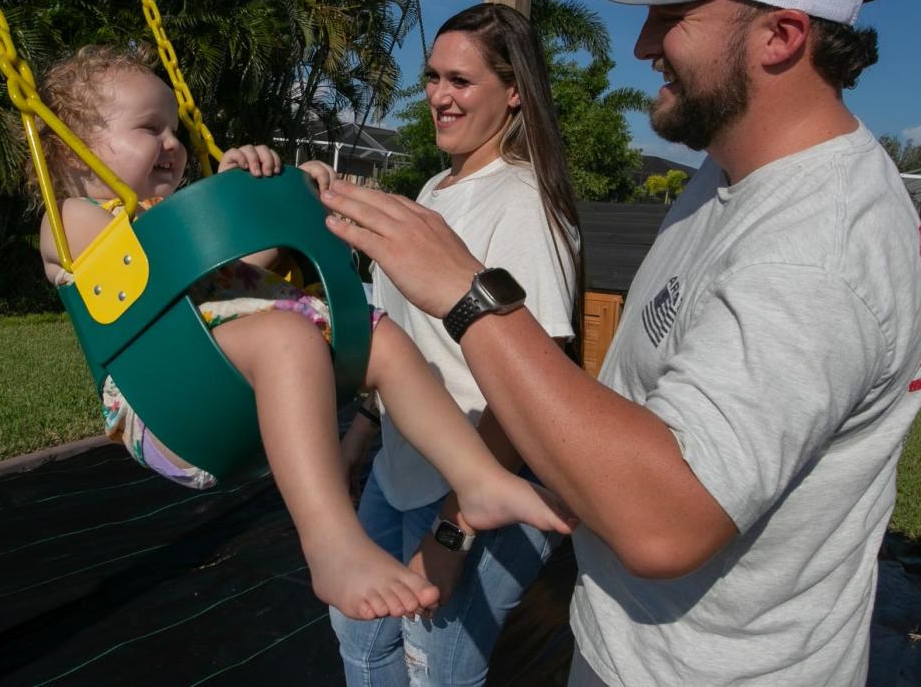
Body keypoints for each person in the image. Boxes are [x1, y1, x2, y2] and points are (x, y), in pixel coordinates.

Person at [320, 0, 921, 686]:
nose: (642, 44)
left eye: (673, 17)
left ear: (782, 35)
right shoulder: (732, 174)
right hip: (636, 651)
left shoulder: (821, 249)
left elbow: (663, 523)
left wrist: (470, 294)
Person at [33, 44, 576, 624]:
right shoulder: (70, 217)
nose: (172, 144)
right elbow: (153, 268)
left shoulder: (167, 215)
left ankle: (477, 479)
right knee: (287, 337)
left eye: (173, 128)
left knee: (380, 338)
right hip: (167, 406)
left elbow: (243, 265)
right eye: (149, 128)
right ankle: (330, 543)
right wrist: (223, 204)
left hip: (232, 366)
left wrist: (270, 197)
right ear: (72, 152)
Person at [330, 3, 584, 686]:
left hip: (473, 492)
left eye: (461, 81)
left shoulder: (525, 207)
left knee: (436, 671)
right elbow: (403, 341)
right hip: (399, 470)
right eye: (433, 77)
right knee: (361, 638)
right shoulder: (434, 190)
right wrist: (362, 435)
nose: (439, 95)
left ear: (513, 93)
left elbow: (533, 386)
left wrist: (453, 529)